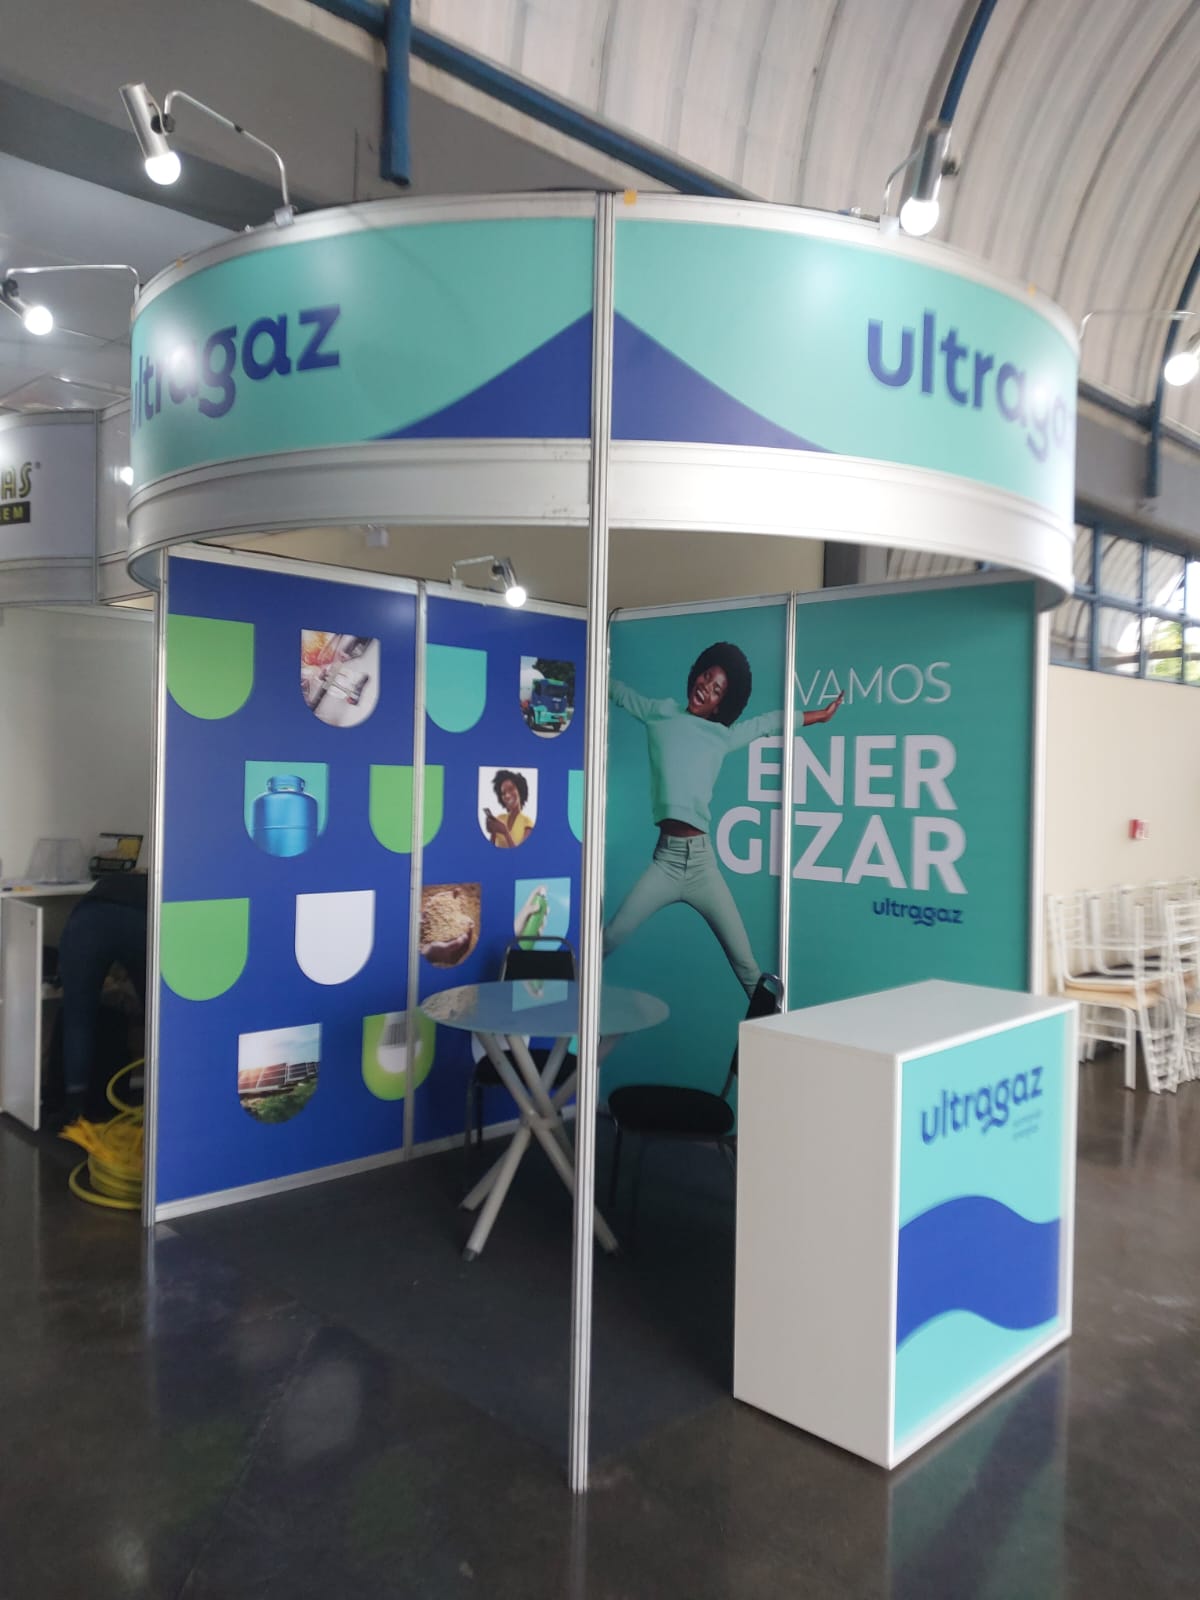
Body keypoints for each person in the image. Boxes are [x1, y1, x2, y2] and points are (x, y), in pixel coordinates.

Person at [605, 642, 841, 997]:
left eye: (717, 690)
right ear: (696, 675)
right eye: (706, 677)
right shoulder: (660, 713)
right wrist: (581, 664)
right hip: (666, 861)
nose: (707, 687)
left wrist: (819, 716)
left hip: (702, 866)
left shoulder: (721, 736)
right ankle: (545, 991)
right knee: (610, 937)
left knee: (747, 966)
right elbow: (620, 693)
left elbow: (767, 723)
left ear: (720, 705)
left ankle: (776, 1027)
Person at [56, 873, 148, 1121]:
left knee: (77, 1018)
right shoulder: (163, 883)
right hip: (141, 920)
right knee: (157, 1016)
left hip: (88, 922)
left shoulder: (102, 893)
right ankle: (161, 1103)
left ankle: (74, 1109)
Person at [483, 769, 534, 849]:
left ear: (520, 790)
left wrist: (505, 832)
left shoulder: (527, 822)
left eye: (511, 789)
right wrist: (493, 831)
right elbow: (490, 851)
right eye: (503, 793)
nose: (507, 796)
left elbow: (522, 853)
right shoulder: (499, 818)